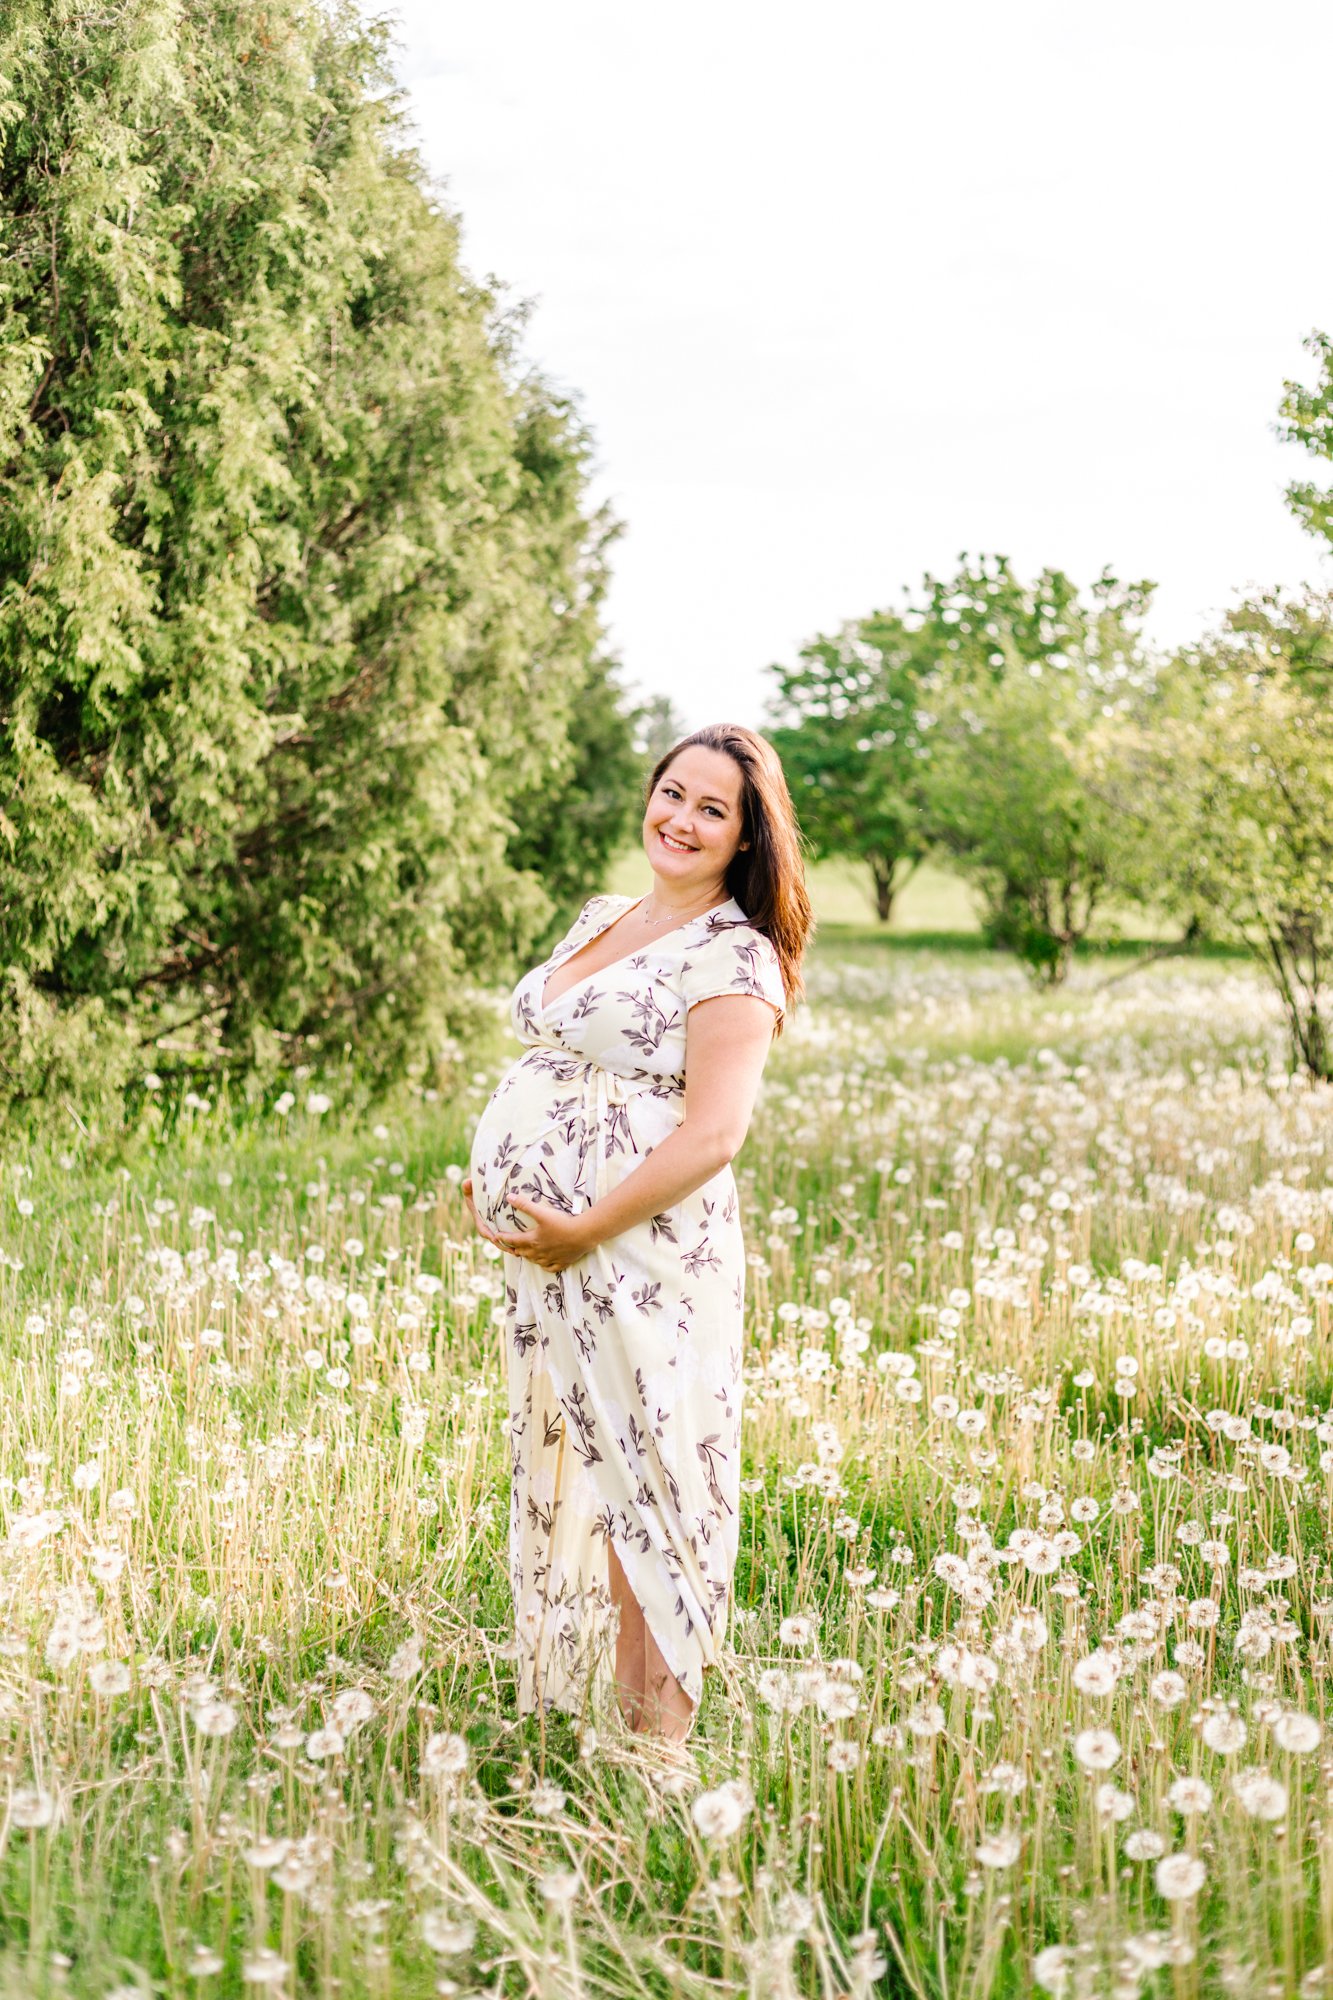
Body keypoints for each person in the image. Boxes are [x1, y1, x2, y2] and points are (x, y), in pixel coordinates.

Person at [463, 723, 812, 1742]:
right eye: (672, 791)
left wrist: (584, 1224)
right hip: (558, 1254)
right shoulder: (603, 917)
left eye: (713, 808)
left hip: (641, 1253)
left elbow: (714, 1130)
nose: (681, 818)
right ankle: (576, 1717)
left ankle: (654, 1749)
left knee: (648, 1477)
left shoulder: (735, 956)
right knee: (574, 1463)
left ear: (747, 838)